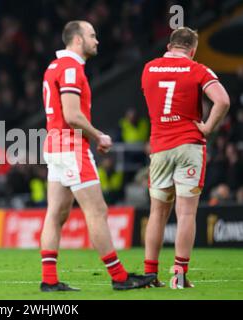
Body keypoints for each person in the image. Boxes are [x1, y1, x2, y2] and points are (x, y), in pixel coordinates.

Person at [40, 20, 155, 292]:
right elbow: (71, 114)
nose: (97, 40)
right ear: (77, 39)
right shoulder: (70, 68)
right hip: (71, 146)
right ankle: (119, 277)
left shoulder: (54, 67)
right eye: (92, 35)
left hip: (55, 146)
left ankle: (49, 280)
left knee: (56, 213)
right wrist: (98, 135)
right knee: (97, 211)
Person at [141, 27, 230, 288]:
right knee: (186, 213)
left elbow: (151, 100)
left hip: (159, 146)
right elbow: (222, 101)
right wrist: (208, 127)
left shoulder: (148, 68)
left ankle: (149, 275)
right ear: (192, 50)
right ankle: (179, 275)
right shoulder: (197, 69)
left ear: (169, 46)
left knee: (157, 213)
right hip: (189, 145)